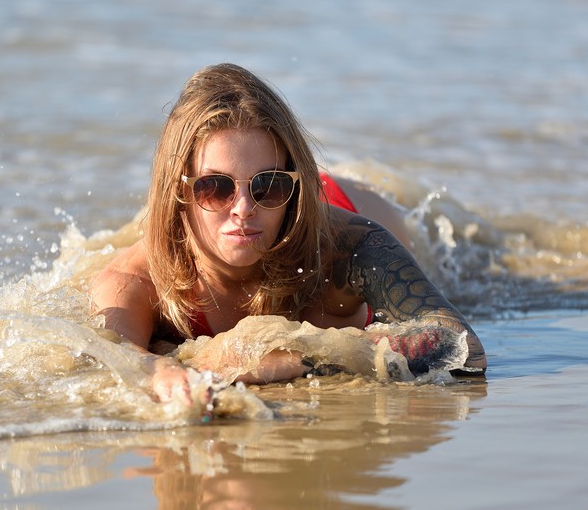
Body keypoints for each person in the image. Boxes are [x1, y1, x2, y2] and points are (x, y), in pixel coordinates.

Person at [89, 63, 486, 404]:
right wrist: (161, 369)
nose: (243, 208)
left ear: (291, 188)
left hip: (345, 202)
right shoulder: (135, 281)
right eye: (215, 187)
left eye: (268, 184)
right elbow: (115, 362)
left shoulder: (344, 250)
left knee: (457, 264)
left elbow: (464, 350)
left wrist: (284, 357)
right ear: (179, 192)